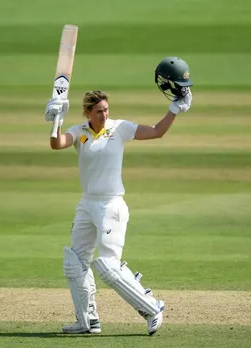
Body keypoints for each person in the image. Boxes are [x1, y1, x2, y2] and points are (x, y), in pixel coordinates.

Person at [44, 57, 193, 336]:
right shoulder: (79, 132)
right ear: (88, 112)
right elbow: (56, 144)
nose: (104, 114)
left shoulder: (119, 128)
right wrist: (55, 120)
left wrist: (174, 109)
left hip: (111, 204)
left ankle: (152, 307)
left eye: (106, 110)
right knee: (75, 261)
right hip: (87, 204)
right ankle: (87, 321)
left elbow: (157, 132)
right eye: (99, 111)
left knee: (109, 267)